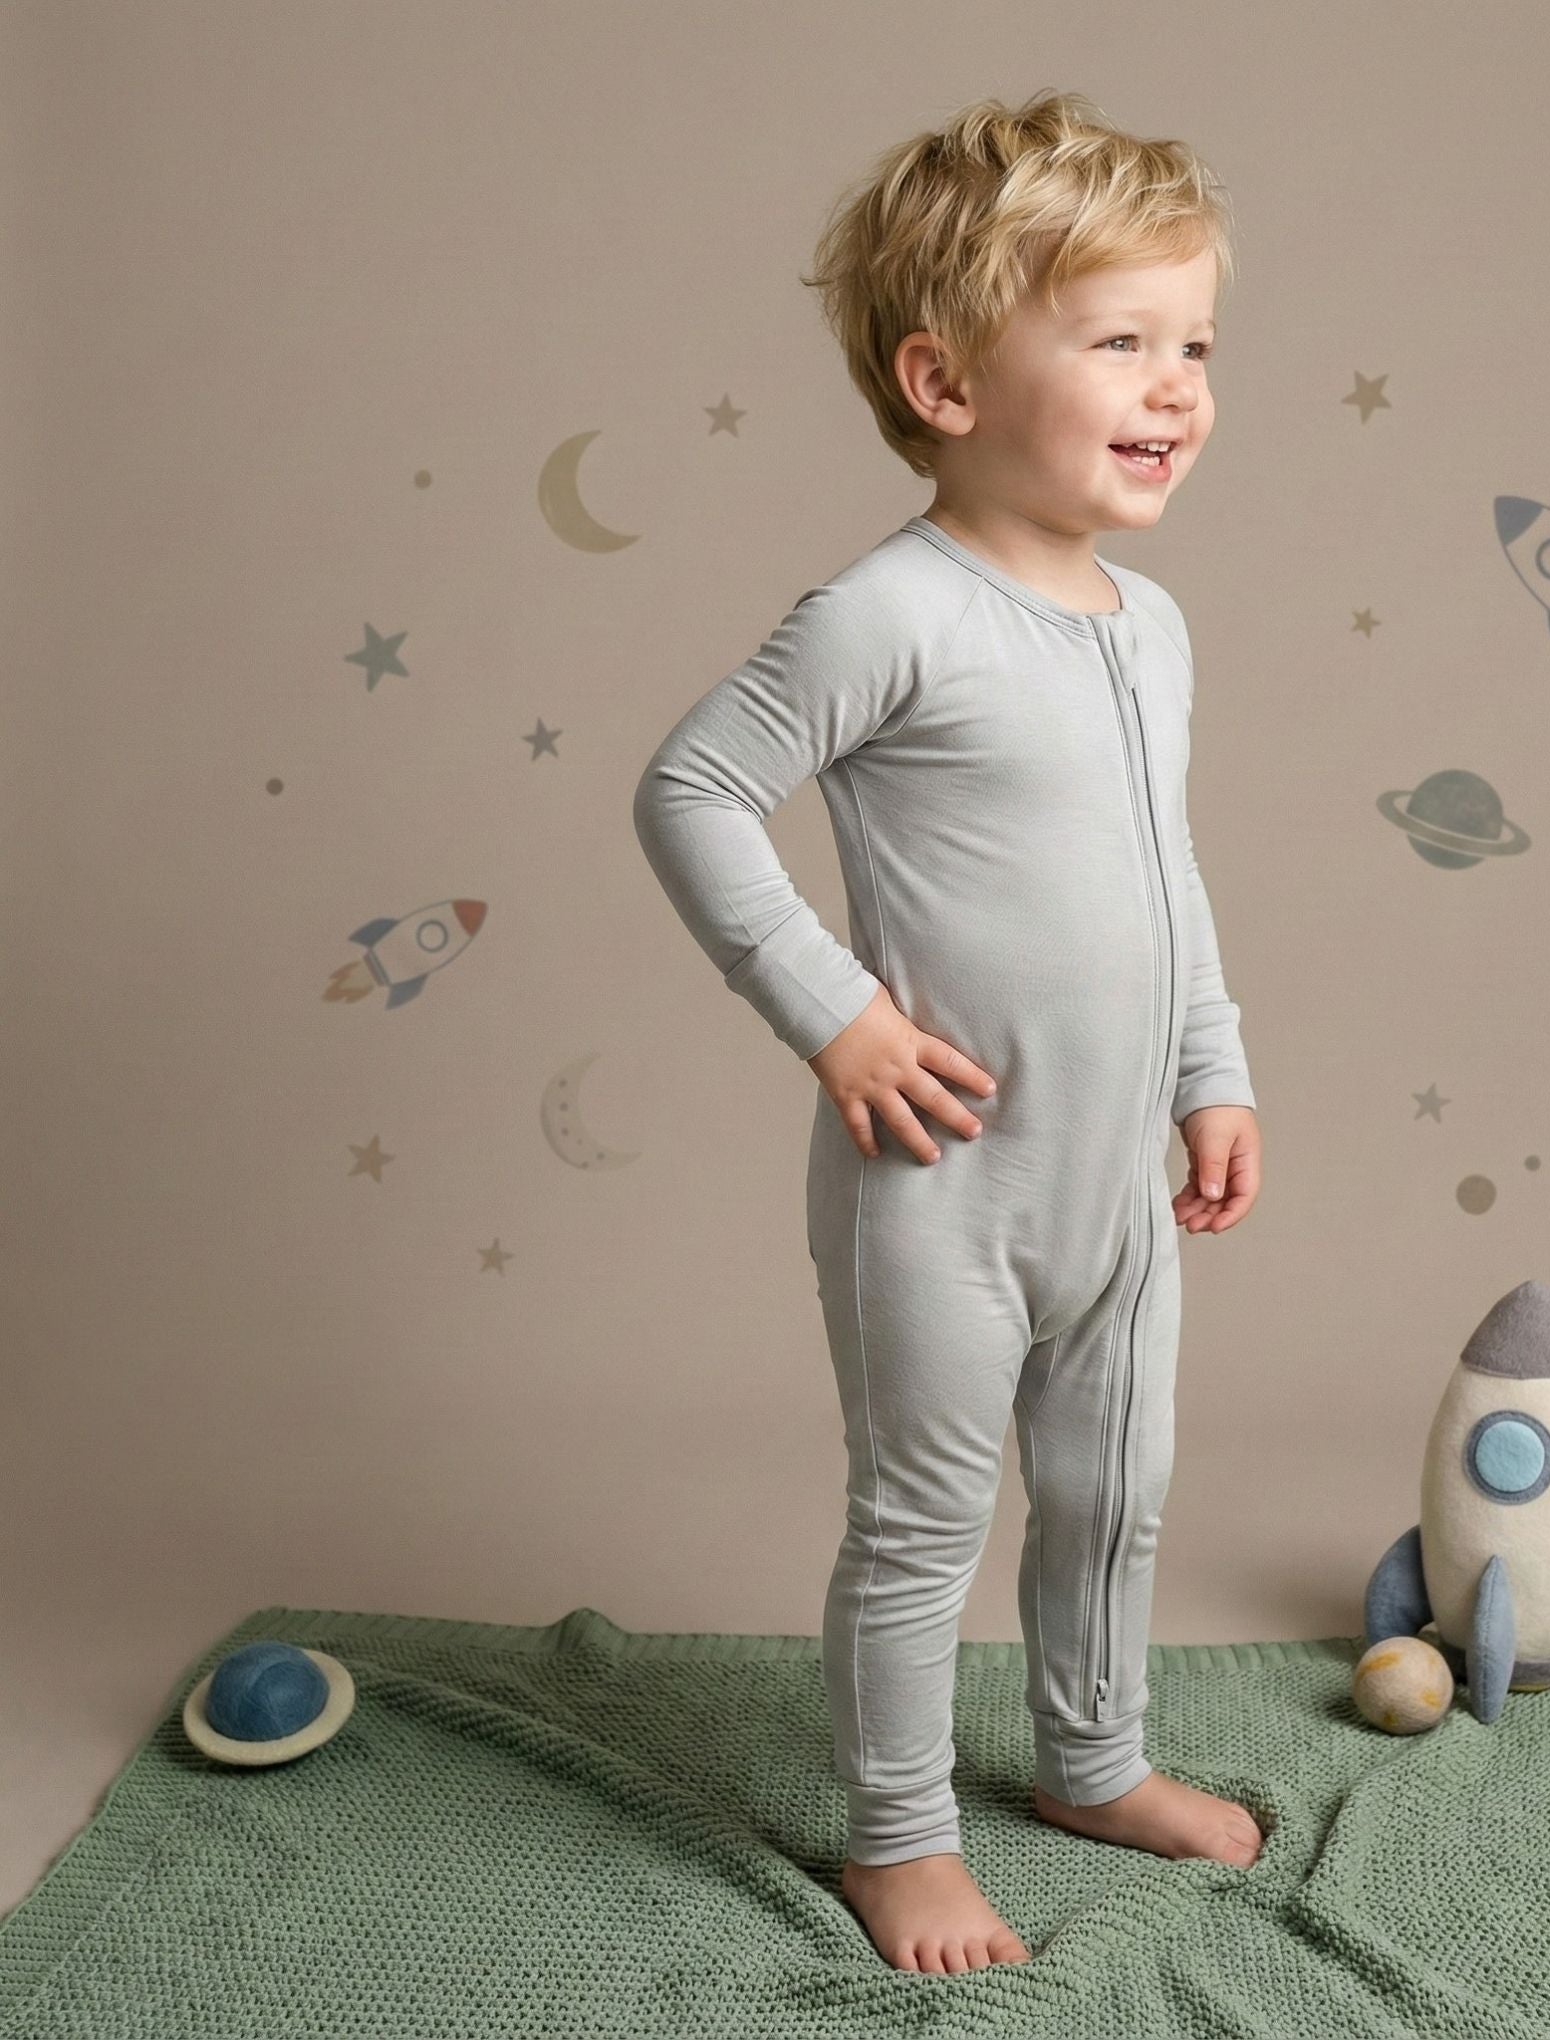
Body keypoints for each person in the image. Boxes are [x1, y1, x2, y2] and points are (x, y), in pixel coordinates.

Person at [631, 88, 1264, 1975]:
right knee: (923, 1517)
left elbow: (1169, 872)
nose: (1179, 389)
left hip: (1116, 1187)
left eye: (1199, 344)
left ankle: (1092, 1755)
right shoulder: (889, 613)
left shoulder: (1150, 626)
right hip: (948, 1179)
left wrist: (1211, 1066)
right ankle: (898, 1836)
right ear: (949, 377)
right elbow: (689, 791)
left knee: (1114, 1489)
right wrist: (830, 1013)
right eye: (1122, 342)